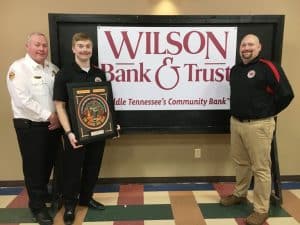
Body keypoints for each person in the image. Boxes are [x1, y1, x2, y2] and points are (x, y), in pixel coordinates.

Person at [220, 34, 294, 225]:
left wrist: (268, 112)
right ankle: (240, 194)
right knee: (240, 162)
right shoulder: (235, 70)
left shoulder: (268, 67)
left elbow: (286, 94)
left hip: (259, 126)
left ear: (259, 47)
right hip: (236, 123)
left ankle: (261, 209)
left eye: (250, 44)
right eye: (243, 44)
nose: (246, 47)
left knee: (261, 169)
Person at [6, 32, 63, 225]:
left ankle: (41, 196)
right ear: (27, 46)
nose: (41, 49)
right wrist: (50, 116)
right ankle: (37, 207)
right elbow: (22, 100)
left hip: (52, 125)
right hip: (30, 126)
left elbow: (58, 97)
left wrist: (57, 118)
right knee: (34, 167)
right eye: (37, 45)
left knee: (47, 163)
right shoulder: (18, 68)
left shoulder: (52, 69)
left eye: (44, 45)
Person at [53, 32, 108, 225]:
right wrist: (68, 132)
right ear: (73, 49)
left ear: (92, 50)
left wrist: (111, 123)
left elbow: (105, 103)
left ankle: (86, 198)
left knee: (93, 167)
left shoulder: (99, 74)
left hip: (98, 131)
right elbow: (59, 105)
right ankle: (69, 205)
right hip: (75, 134)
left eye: (88, 46)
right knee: (72, 170)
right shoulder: (64, 73)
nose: (85, 50)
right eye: (81, 46)